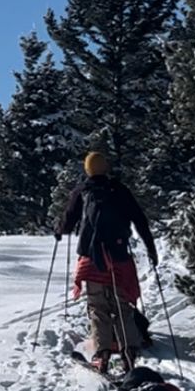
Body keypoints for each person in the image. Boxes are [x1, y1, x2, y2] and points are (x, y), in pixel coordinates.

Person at [55, 151, 158, 374]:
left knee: (98, 309)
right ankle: (129, 354)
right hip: (119, 259)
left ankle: (101, 356)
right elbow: (140, 219)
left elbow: (68, 220)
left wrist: (58, 231)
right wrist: (150, 248)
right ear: (106, 167)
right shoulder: (119, 190)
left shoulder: (82, 191)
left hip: (91, 261)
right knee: (122, 309)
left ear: (87, 169)